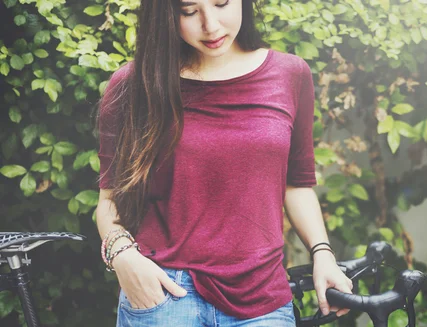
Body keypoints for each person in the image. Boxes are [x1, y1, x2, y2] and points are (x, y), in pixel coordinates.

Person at [94, 0, 353, 326]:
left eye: (221, 3)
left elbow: (296, 184)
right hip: (164, 293)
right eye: (189, 11)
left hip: (262, 299)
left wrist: (323, 255)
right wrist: (124, 259)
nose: (211, 25)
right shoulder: (135, 84)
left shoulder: (290, 74)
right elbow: (108, 202)